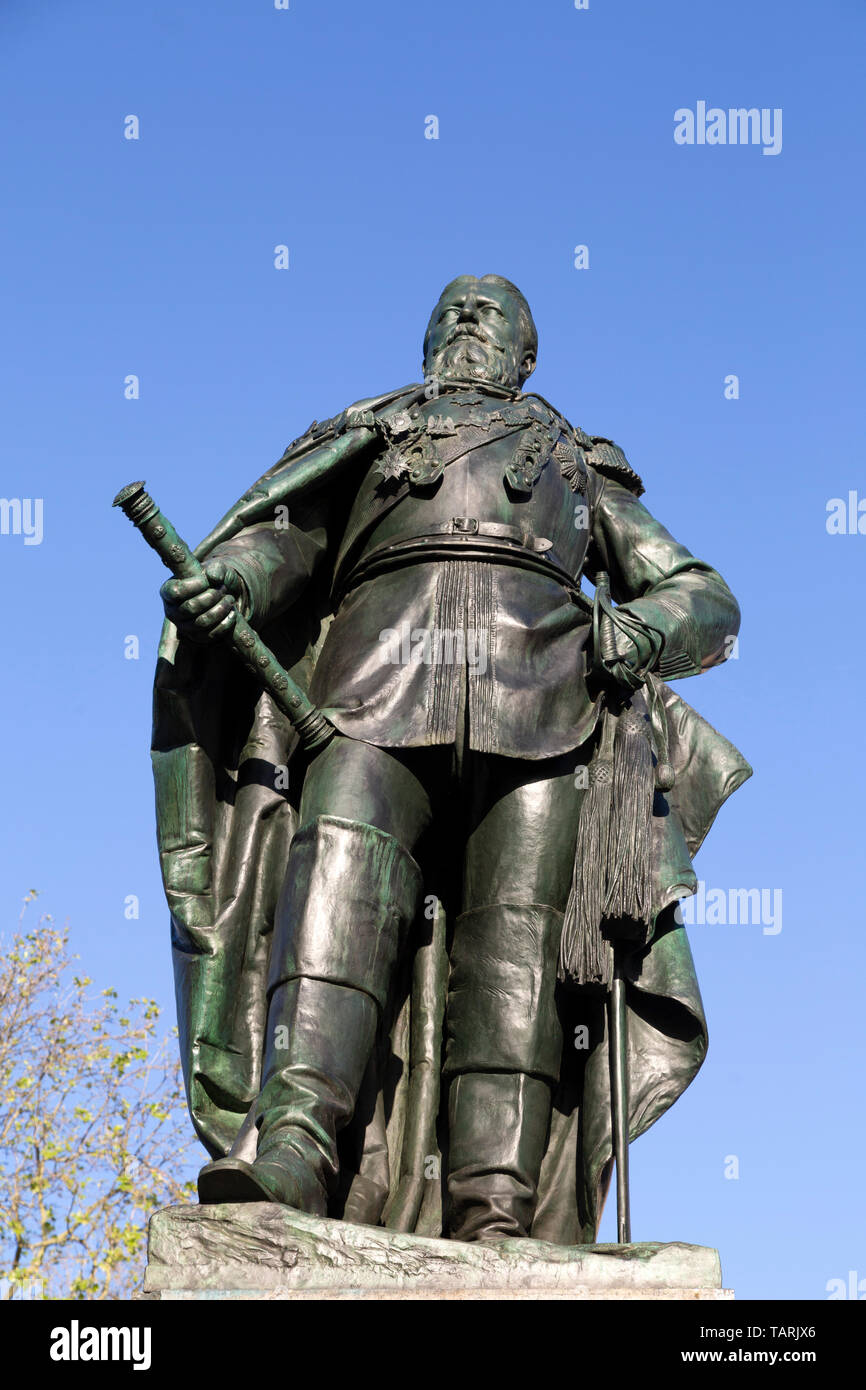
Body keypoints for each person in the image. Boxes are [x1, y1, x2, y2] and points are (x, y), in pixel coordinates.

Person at [155, 275, 750, 1242]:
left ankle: (496, 1203)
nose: (467, 321)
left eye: (493, 313)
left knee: (517, 947)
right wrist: (233, 578)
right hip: (372, 690)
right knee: (334, 888)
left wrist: (643, 630)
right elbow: (287, 542)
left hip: (546, 706)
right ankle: (296, 1144)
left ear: (525, 355)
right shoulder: (370, 432)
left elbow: (704, 594)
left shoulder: (575, 460)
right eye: (449, 311)